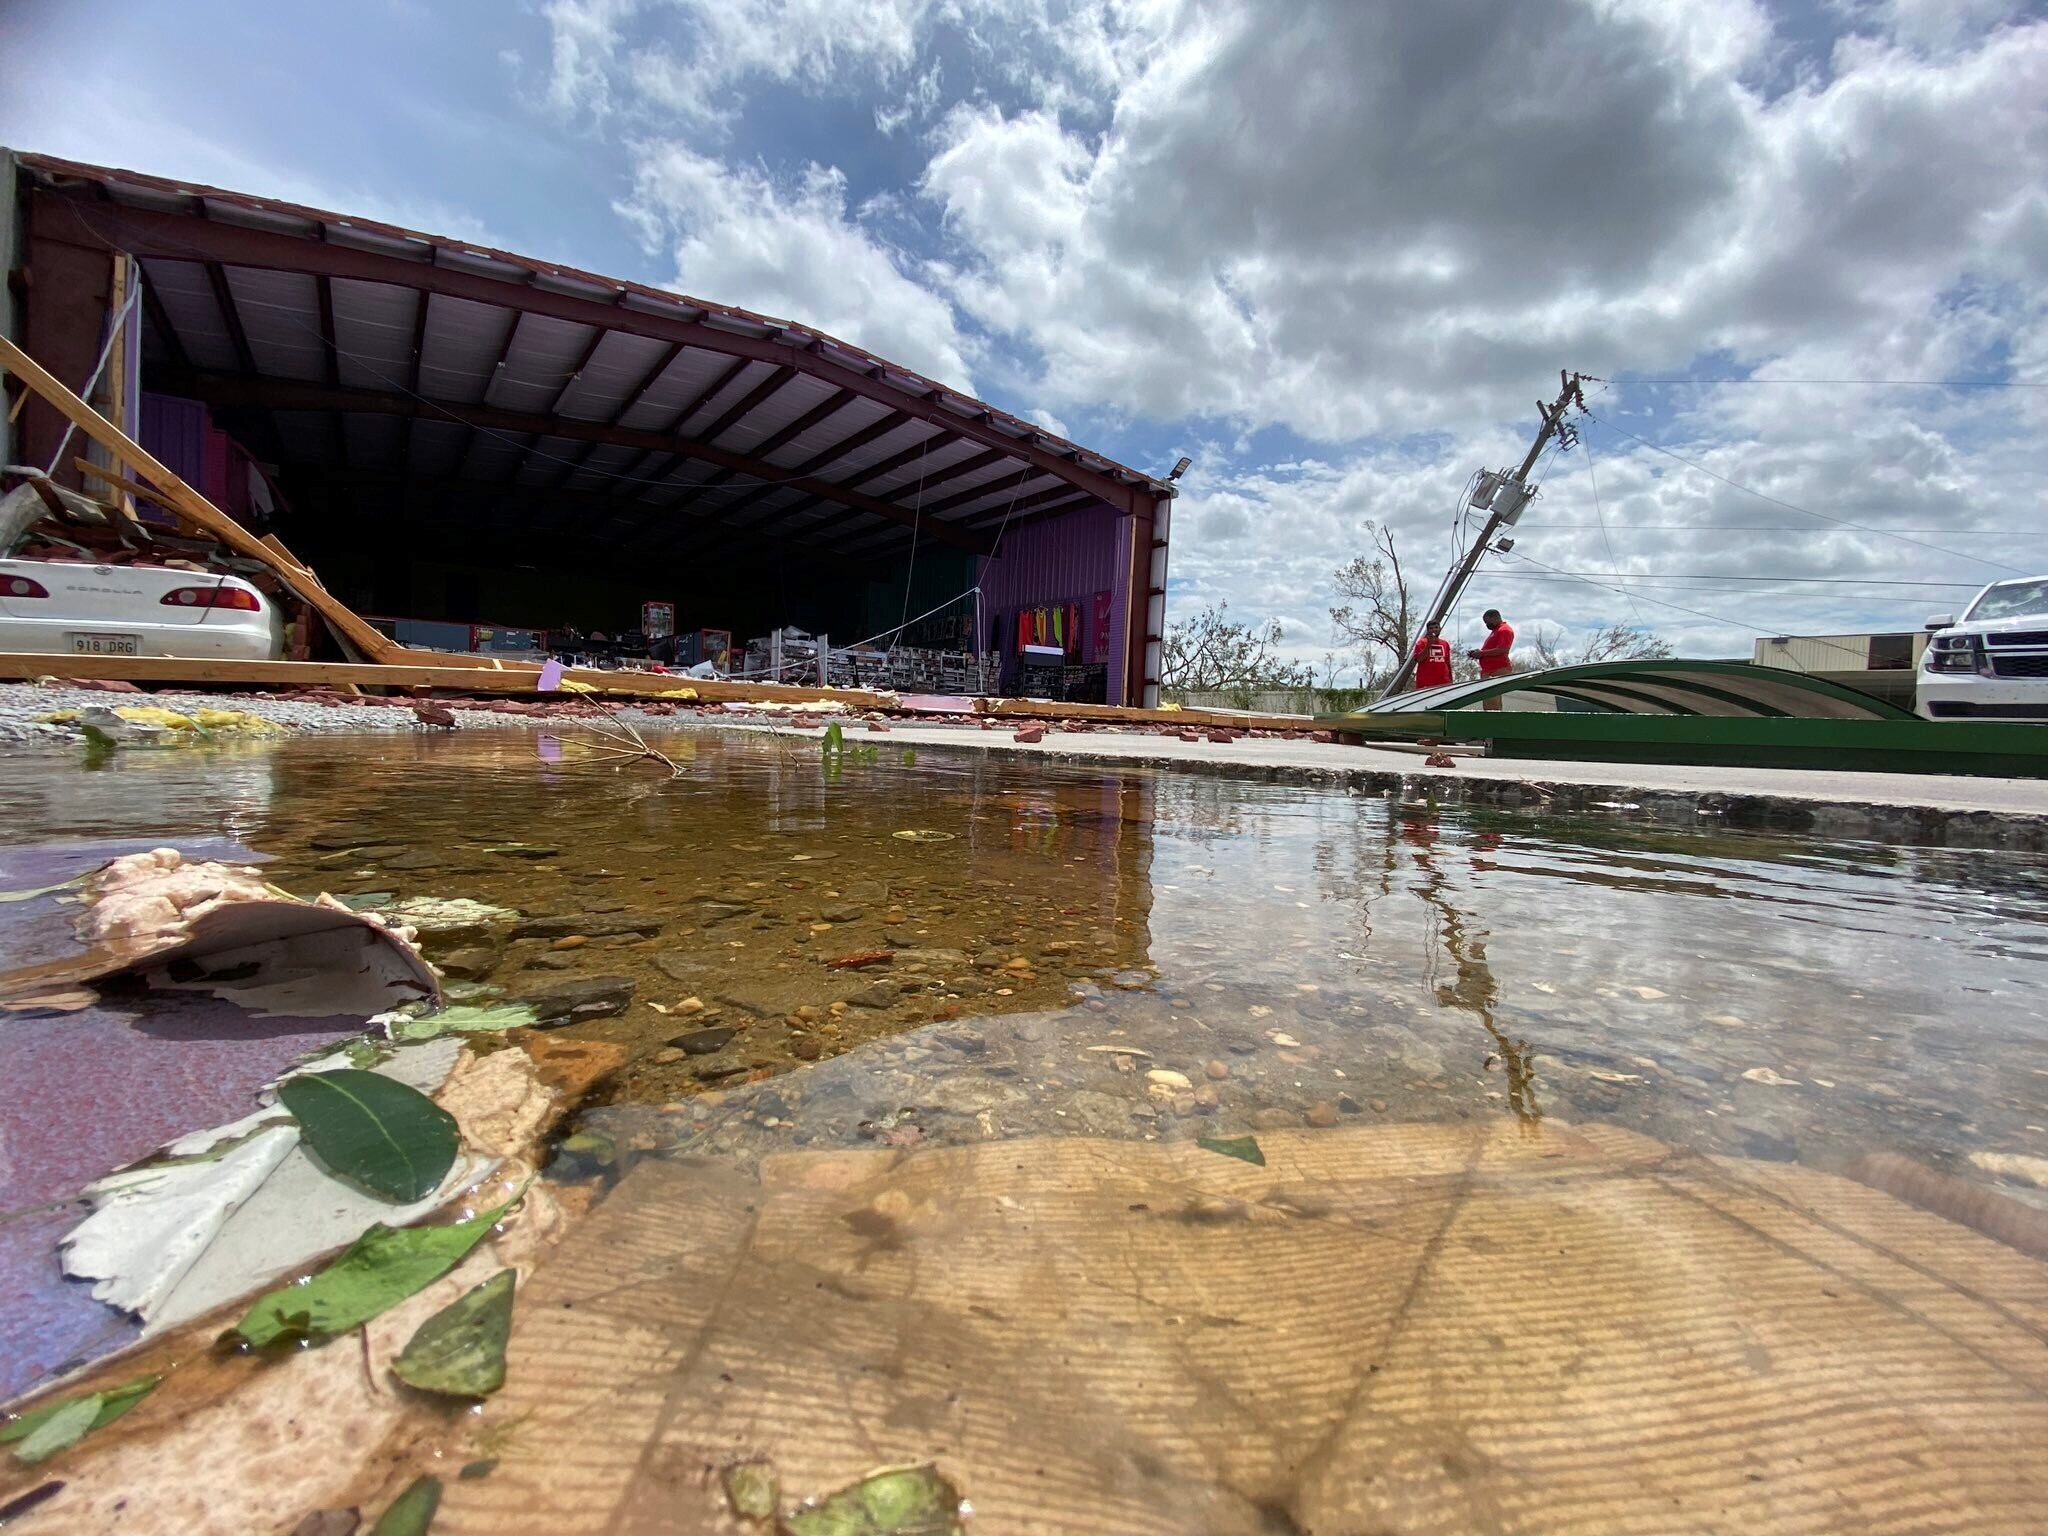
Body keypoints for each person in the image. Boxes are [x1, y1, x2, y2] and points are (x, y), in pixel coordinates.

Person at [1469, 609, 1515, 710]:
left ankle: (1493, 722)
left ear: (1494, 617)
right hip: (1489, 670)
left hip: (1497, 669)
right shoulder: (1496, 631)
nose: (1486, 625)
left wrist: (1482, 653)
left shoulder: (1504, 630)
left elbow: (1503, 649)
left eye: (1487, 622)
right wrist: (1479, 653)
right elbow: (1492, 649)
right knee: (1488, 700)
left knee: (1492, 701)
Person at [1411, 620, 1454, 690]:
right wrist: (1429, 644)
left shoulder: (1445, 643)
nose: (1434, 630)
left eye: (1436, 627)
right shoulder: (1421, 643)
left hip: (1444, 682)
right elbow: (1419, 659)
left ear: (1440, 629)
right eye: (1431, 628)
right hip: (1426, 684)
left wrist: (1451, 680)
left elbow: (1447, 663)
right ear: (1428, 630)